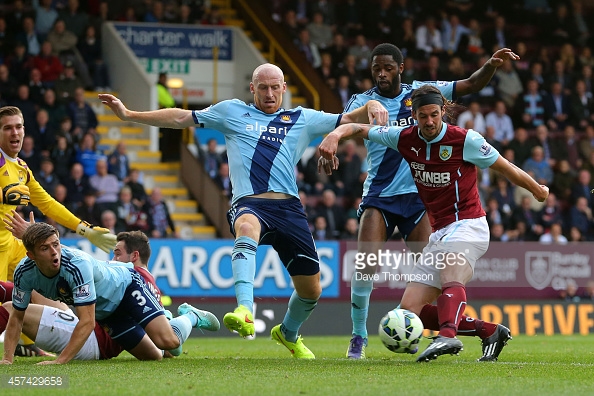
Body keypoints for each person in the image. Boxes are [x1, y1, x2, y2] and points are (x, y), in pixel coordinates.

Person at [98, 62, 388, 359]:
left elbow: (351, 118)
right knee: (246, 228)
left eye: (275, 87)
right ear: (252, 89)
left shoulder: (303, 118)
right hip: (249, 203)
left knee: (311, 290)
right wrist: (130, 114)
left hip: (289, 209)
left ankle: (287, 332)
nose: (270, 93)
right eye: (263, 87)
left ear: (284, 88)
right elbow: (182, 116)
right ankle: (245, 310)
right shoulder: (232, 111)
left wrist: (373, 103)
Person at [318, 85, 549, 362]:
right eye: (423, 116)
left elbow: (505, 167)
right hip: (439, 232)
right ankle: (490, 331)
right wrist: (334, 134)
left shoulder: (465, 140)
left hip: (468, 224)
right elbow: (358, 129)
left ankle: (447, 337)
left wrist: (537, 190)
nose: (429, 122)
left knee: (451, 271)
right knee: (409, 311)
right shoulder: (403, 137)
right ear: (413, 115)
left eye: (434, 115)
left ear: (443, 112)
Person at [0, 222, 220, 365]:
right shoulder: (24, 273)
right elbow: (16, 316)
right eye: (45, 248)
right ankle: (164, 320)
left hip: (126, 288)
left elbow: (86, 321)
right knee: (153, 356)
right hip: (108, 314)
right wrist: (7, 359)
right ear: (31, 254)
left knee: (169, 342)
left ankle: (191, 316)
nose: (54, 252)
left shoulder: (76, 265)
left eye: (56, 245)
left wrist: (60, 361)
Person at [0, 106, 116, 283]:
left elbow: (48, 203)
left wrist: (84, 229)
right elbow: (7, 196)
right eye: (7, 128)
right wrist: (3, 195)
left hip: (12, 244)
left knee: (41, 291)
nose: (14, 132)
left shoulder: (21, 168)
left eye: (18, 126)